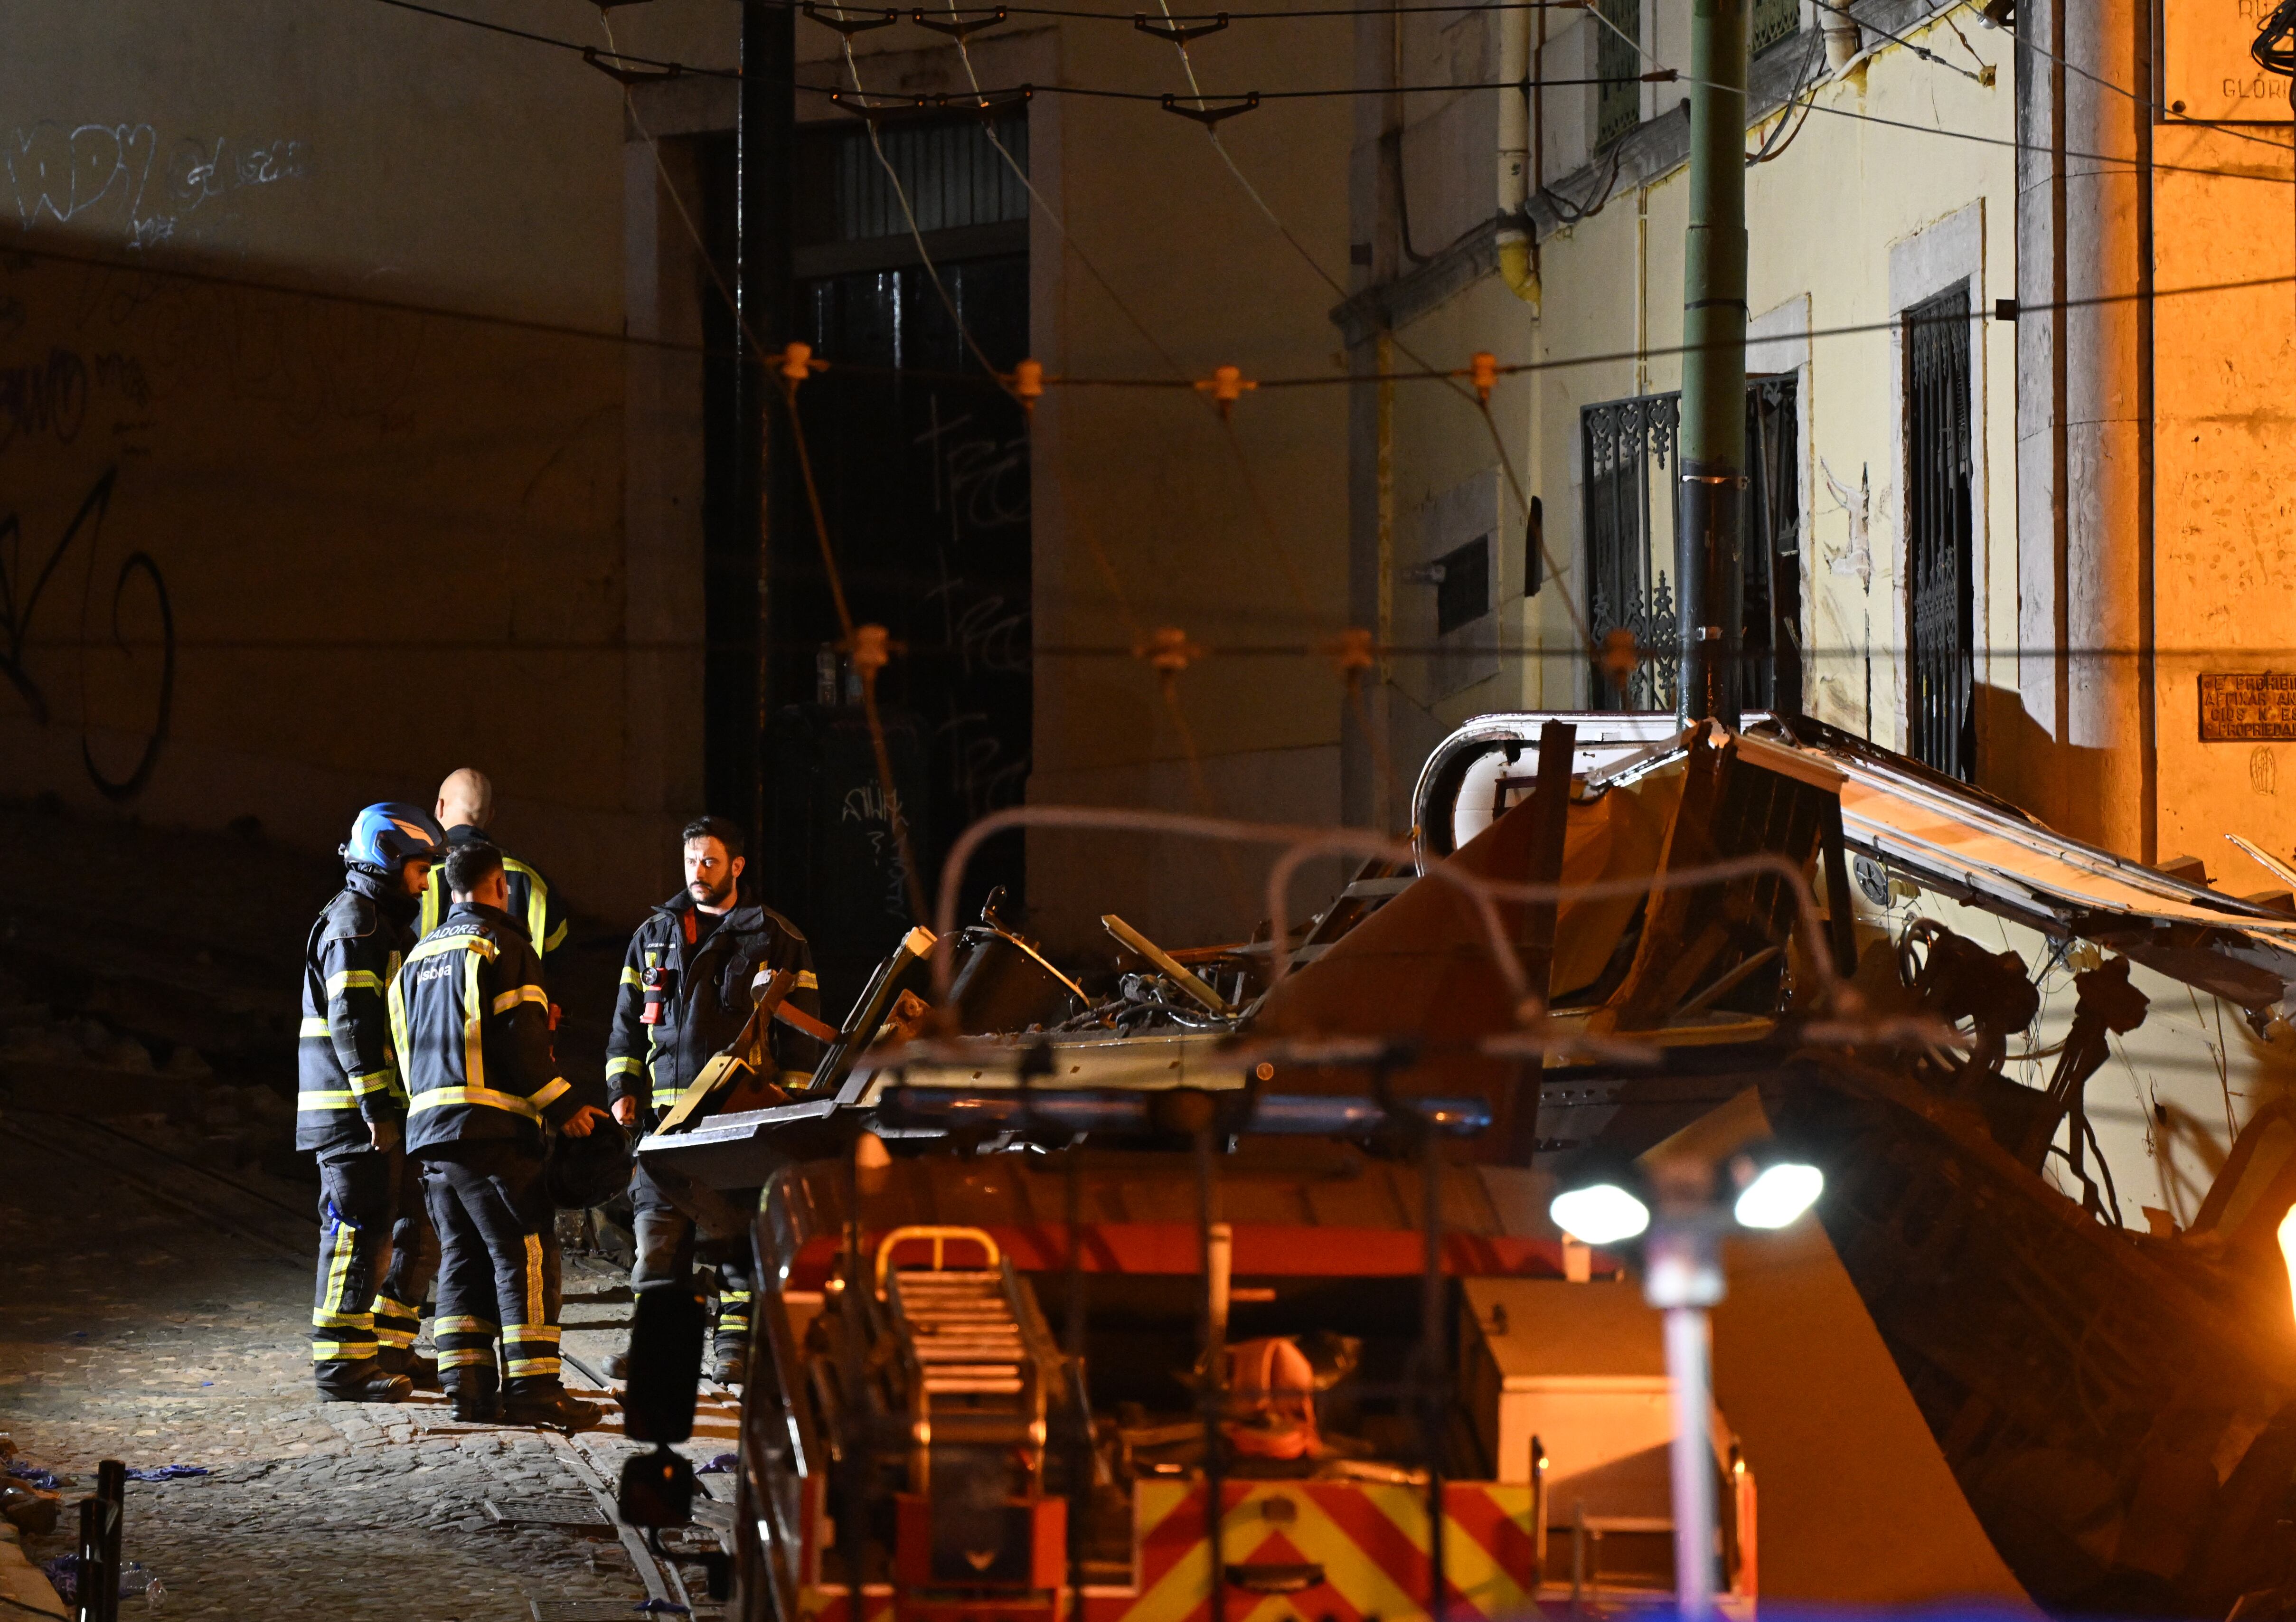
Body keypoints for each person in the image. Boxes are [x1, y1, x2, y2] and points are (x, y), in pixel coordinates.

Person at [395, 839, 612, 1427]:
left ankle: (467, 1386)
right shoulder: (505, 944)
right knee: (527, 1251)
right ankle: (535, 1388)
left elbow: (403, 1044)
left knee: (462, 1255)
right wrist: (565, 1106)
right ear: (500, 886)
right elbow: (522, 1040)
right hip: (493, 1129)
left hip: (431, 1133)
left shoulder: (418, 955)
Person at [604, 816, 827, 1384]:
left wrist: (788, 1112)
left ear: (736, 866)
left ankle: (737, 1350)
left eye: (709, 861)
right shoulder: (653, 935)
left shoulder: (777, 937)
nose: (698, 873)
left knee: (736, 1238)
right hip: (665, 1124)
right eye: (690, 862)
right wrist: (623, 1090)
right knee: (657, 1239)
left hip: (740, 1119)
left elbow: (803, 1041)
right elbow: (626, 1026)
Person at [297, 802, 445, 1404]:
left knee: (409, 1223)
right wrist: (378, 1108)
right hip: (354, 1116)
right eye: (419, 865)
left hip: (378, 1113)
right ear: (387, 857)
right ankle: (342, 1366)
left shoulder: (378, 921)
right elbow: (354, 1023)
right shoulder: (357, 924)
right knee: (357, 1234)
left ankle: (387, 1344)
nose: (427, 878)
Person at [418, 767, 570, 962]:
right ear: (490, 816)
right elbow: (560, 961)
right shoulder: (533, 879)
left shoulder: (420, 870)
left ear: (439, 807)